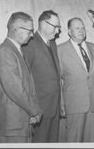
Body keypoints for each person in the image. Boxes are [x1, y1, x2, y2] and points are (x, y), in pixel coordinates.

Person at [57, 17, 94, 142]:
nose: (81, 30)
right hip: (73, 104)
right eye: (77, 28)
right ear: (69, 31)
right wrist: (61, 103)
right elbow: (57, 80)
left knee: (93, 141)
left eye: (83, 28)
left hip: (93, 103)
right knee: (74, 140)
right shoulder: (60, 50)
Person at [0, 12, 42, 143]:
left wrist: (33, 112)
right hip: (13, 125)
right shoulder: (5, 51)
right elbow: (15, 90)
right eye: (30, 31)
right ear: (16, 30)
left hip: (21, 122)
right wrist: (35, 111)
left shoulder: (16, 50)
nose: (32, 35)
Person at [22, 10, 65, 142]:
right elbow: (24, 79)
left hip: (54, 108)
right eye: (55, 26)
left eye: (59, 27)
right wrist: (32, 110)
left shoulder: (52, 43)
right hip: (39, 110)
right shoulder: (29, 43)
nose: (57, 31)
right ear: (43, 24)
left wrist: (61, 103)